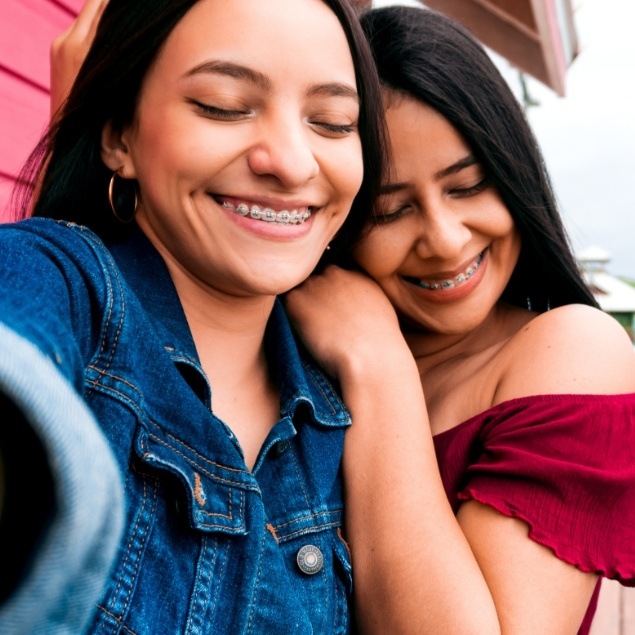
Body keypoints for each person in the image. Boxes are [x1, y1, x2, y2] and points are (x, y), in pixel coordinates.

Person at [0, 0, 385, 633]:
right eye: (223, 106)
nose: (290, 162)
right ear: (119, 136)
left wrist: (383, 362)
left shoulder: (352, 399)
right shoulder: (59, 279)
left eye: (333, 121)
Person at [285, 6, 635, 634]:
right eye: (391, 212)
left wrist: (378, 362)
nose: (445, 242)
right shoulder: (292, 353)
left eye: (469, 186)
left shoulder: (572, 348)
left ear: (512, 175)